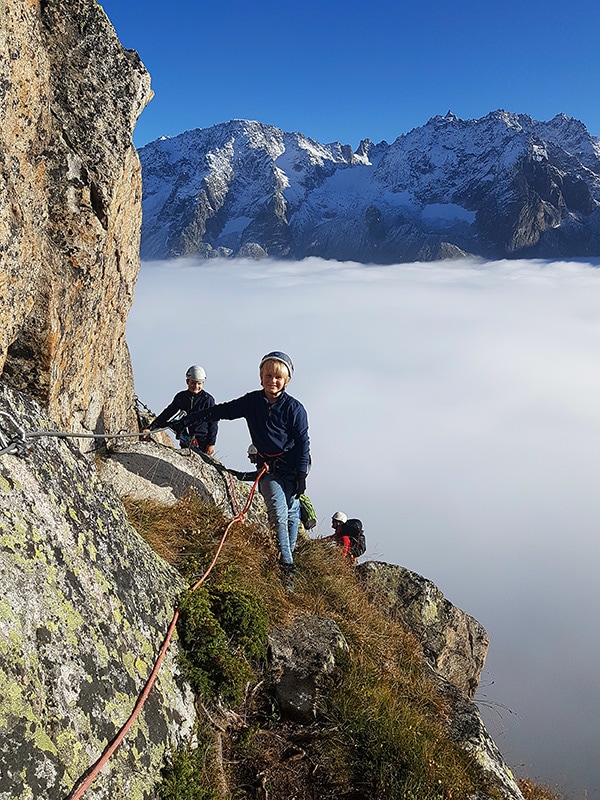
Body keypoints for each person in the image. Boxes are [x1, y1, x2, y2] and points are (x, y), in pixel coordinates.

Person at [182, 351, 310, 582]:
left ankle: (289, 560)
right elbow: (221, 411)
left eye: (278, 377)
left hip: (291, 469)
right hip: (268, 469)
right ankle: (287, 565)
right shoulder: (252, 402)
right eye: (268, 375)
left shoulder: (294, 409)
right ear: (261, 377)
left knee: (291, 512)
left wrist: (301, 475)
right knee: (278, 512)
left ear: (287, 381)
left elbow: (303, 443)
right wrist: (189, 420)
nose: (273, 380)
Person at [142, 365, 218, 455]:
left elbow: (213, 423)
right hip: (186, 438)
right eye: (193, 383)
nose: (196, 386)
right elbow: (168, 413)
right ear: (187, 381)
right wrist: (150, 428)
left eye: (199, 383)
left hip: (202, 440)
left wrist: (211, 443)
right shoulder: (181, 397)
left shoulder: (207, 400)